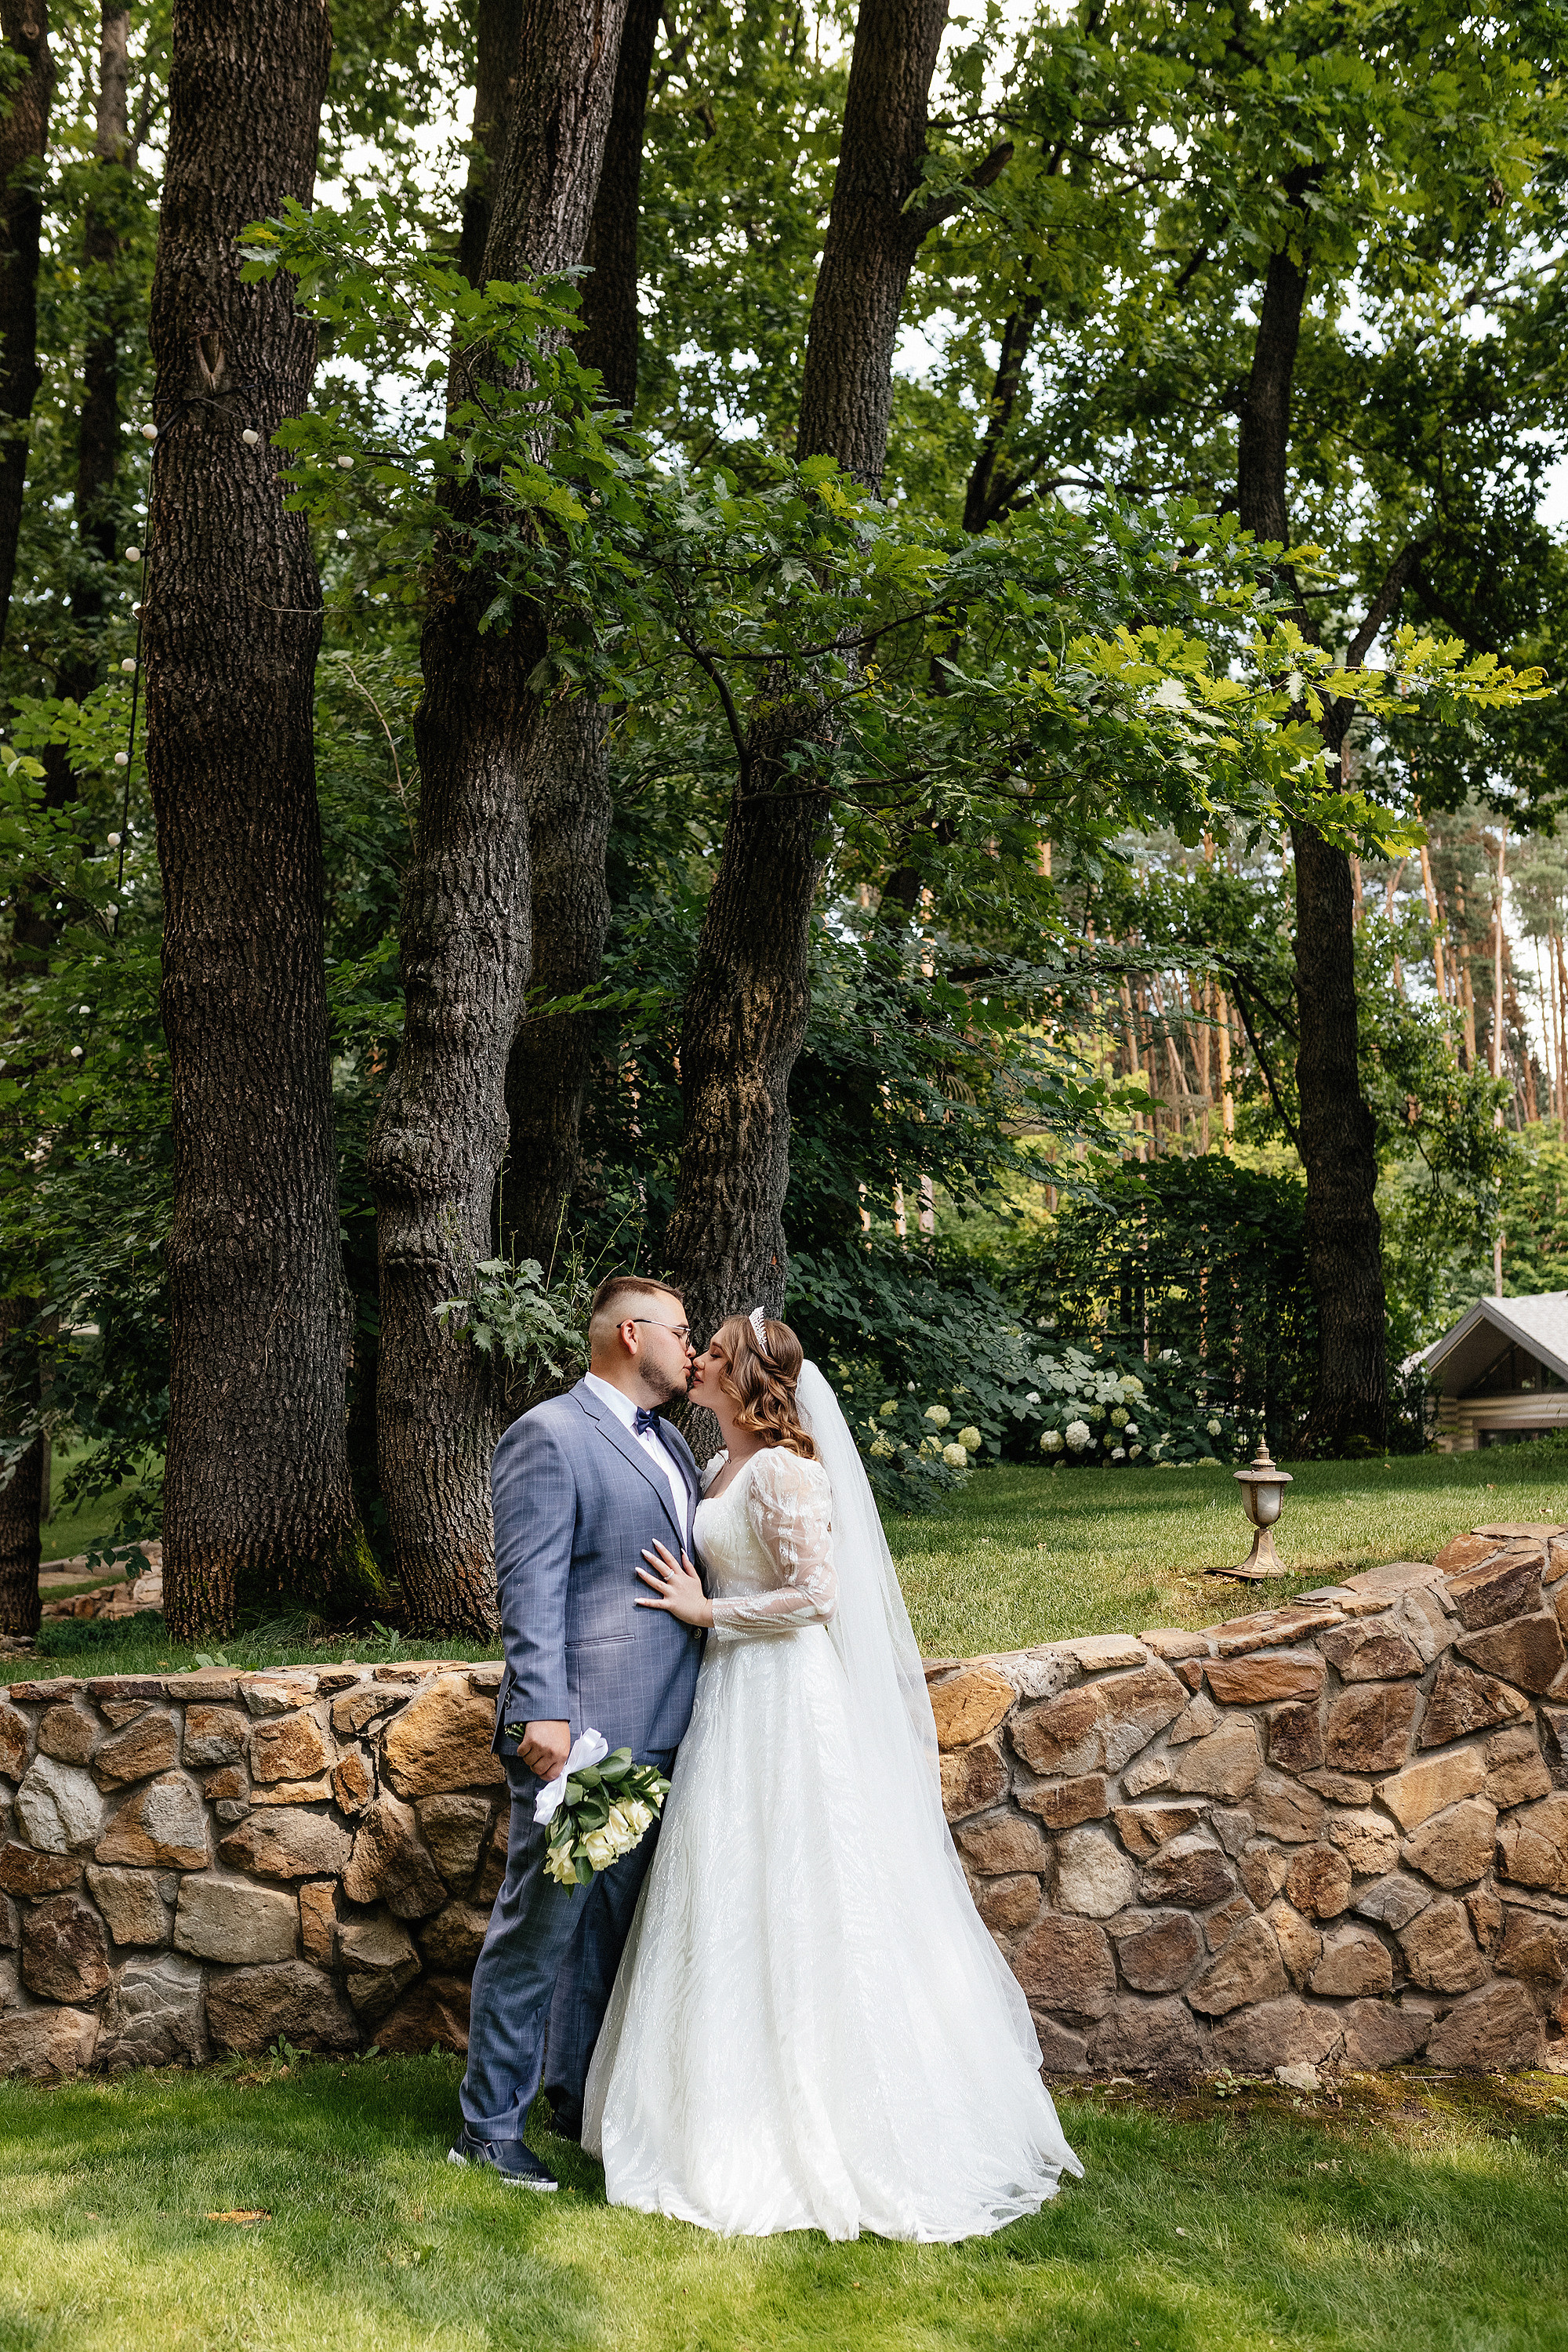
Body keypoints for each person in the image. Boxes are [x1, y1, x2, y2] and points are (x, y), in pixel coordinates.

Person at [583, 1309, 1082, 2241]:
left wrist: (706, 1614)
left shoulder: (782, 1470)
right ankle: (708, 2107)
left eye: (714, 1351)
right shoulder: (718, 1468)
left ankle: (834, 2113)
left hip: (782, 1696)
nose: (697, 1359)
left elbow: (817, 1596)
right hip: (731, 1700)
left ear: (745, 1377)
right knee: (727, 1883)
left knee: (803, 1884)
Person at [450, 1272, 702, 2189]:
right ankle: (485, 2127)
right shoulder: (549, 1435)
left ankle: (574, 2096)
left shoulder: (671, 1441)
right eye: (681, 1331)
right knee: (540, 1931)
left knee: (610, 1934)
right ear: (631, 1335)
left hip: (671, 1723)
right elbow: (529, 1586)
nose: (692, 1347)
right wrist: (542, 1711)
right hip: (586, 1734)